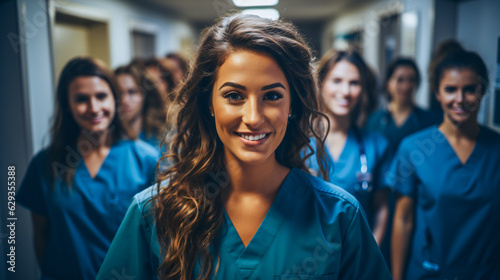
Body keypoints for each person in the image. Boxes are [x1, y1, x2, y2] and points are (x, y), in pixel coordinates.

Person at [97, 14, 391, 280]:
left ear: (293, 105)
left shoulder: (338, 217)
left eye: (272, 96)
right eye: (234, 95)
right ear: (209, 103)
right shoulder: (153, 215)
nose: (253, 117)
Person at [17, 57, 159, 280]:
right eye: (82, 99)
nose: (94, 108)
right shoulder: (46, 164)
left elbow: (156, 239)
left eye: (101, 96)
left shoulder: (146, 160)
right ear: (67, 105)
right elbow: (41, 236)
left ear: (115, 98)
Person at [390, 50, 500, 280]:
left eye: (470, 89)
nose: (460, 99)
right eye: (450, 89)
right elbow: (403, 219)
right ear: (437, 93)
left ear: (482, 91)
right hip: (430, 273)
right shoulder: (413, 149)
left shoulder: (495, 148)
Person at [307, 50, 392, 247]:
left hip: (357, 254)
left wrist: (371, 255)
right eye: (336, 81)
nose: (345, 91)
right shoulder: (297, 143)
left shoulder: (376, 145)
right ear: (320, 84)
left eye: (354, 83)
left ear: (363, 90)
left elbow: (381, 207)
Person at [366, 57, 441, 148]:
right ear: (388, 83)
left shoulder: (429, 120)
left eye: (411, 80)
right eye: (400, 80)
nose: (406, 86)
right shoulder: (373, 121)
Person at [115, 64, 174, 149]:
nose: (124, 100)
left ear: (145, 95)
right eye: (118, 93)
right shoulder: (108, 140)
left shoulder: (164, 136)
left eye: (132, 92)